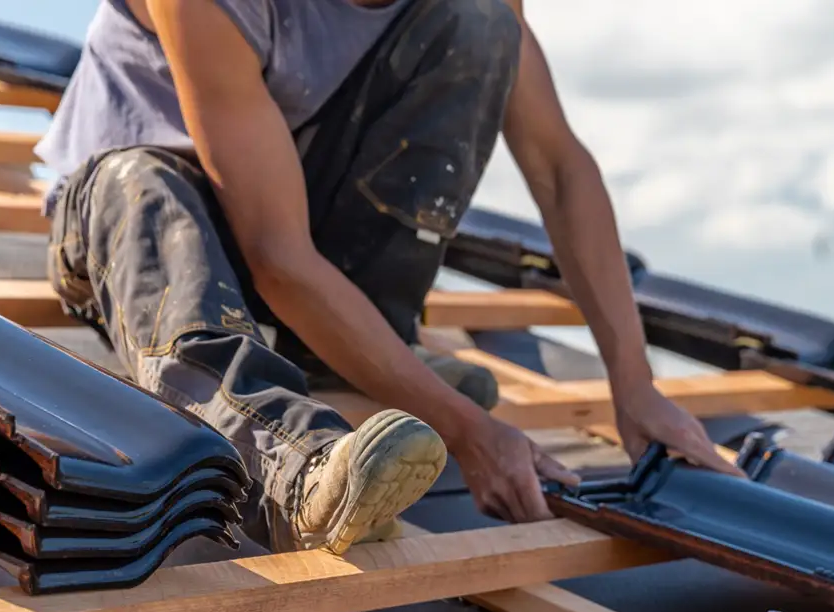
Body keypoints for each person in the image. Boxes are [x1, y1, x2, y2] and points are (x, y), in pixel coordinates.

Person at [36, 0, 739, 556]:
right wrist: (466, 429)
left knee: (477, 21)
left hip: (288, 209)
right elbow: (276, 253)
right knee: (148, 188)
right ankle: (296, 469)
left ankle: (358, 356)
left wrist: (634, 384)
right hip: (139, 214)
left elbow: (559, 171)